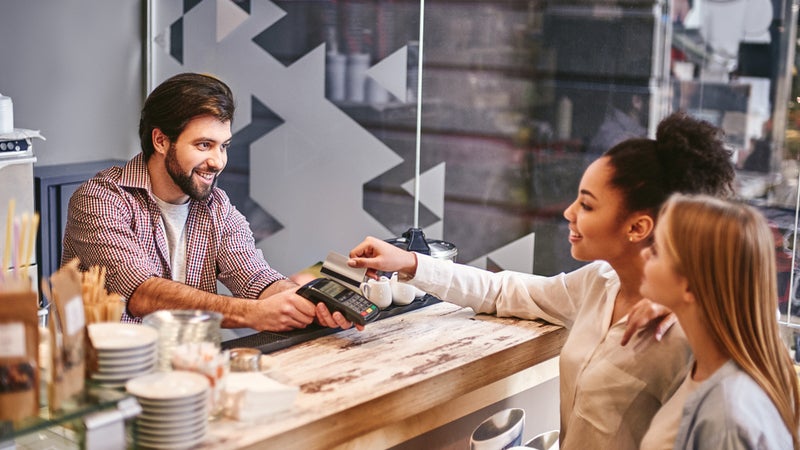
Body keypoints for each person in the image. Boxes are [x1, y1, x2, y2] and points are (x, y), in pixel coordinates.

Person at [347, 111, 735, 449]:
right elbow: (505, 291)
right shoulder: (599, 283)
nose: (569, 212)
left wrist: (698, 305)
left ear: (638, 226)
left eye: (586, 204)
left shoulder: (685, 333)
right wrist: (412, 262)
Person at [62, 72, 357, 332]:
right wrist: (251, 314)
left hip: (192, 374)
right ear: (161, 141)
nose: (217, 162)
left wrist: (303, 300)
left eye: (224, 146)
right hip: (108, 379)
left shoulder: (216, 207)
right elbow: (143, 294)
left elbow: (256, 277)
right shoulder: (100, 199)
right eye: (204, 145)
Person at [639, 194, 800, 449]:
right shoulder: (739, 365)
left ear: (690, 286)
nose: (645, 254)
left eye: (657, 250)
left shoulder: (726, 417)